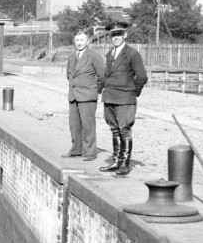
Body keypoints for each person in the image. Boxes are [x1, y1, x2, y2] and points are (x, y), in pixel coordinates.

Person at [99, 21, 148, 176]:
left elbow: (142, 76)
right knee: (114, 130)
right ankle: (116, 161)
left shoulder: (132, 54)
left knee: (124, 130)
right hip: (110, 97)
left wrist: (133, 92)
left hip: (125, 98)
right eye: (113, 35)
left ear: (125, 35)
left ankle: (125, 163)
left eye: (118, 34)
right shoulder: (109, 55)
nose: (116, 37)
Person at [63, 28, 105, 161]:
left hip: (88, 96)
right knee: (74, 124)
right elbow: (68, 75)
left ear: (88, 41)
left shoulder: (94, 55)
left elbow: (102, 76)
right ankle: (76, 149)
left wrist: (94, 90)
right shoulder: (71, 56)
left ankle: (90, 152)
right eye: (77, 40)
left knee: (88, 125)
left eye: (82, 40)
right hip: (73, 95)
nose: (79, 43)